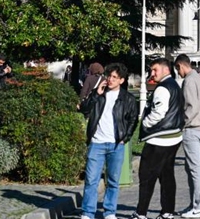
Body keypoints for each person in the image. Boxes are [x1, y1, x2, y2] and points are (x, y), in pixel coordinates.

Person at [78, 63, 138, 219]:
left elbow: (133, 119)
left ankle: (110, 211)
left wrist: (125, 138)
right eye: (109, 76)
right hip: (97, 143)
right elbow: (84, 109)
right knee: (91, 180)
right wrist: (96, 94)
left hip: (116, 144)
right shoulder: (99, 94)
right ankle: (87, 212)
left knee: (113, 181)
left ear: (121, 80)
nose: (110, 80)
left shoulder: (128, 99)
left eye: (114, 77)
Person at [133, 58, 185, 219]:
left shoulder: (162, 88)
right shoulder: (174, 85)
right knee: (167, 175)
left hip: (159, 138)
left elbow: (159, 112)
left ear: (166, 70)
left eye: (155, 70)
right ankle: (167, 211)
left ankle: (141, 212)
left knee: (147, 176)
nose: (152, 73)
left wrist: (146, 123)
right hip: (173, 136)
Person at [174, 55, 200, 219]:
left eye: (177, 69)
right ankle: (194, 204)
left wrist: (183, 122)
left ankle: (199, 206)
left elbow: (191, 106)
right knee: (191, 168)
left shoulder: (189, 81)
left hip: (193, 127)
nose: (178, 73)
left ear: (180, 66)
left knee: (195, 169)